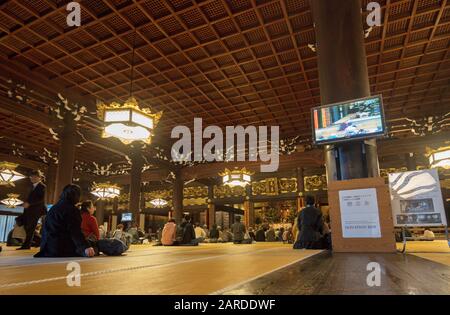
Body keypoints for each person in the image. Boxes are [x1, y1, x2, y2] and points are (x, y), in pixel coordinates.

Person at [34, 184, 95, 257]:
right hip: (60, 248)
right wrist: (85, 247)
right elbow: (75, 232)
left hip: (47, 248)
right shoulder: (72, 210)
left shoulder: (54, 208)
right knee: (96, 245)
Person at [16, 170, 47, 250]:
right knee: (25, 225)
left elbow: (41, 199)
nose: (31, 178)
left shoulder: (42, 186)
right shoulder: (32, 186)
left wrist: (29, 203)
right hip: (29, 210)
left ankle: (27, 245)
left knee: (30, 227)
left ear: (39, 177)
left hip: (36, 210)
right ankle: (38, 241)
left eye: (33, 176)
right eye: (31, 176)